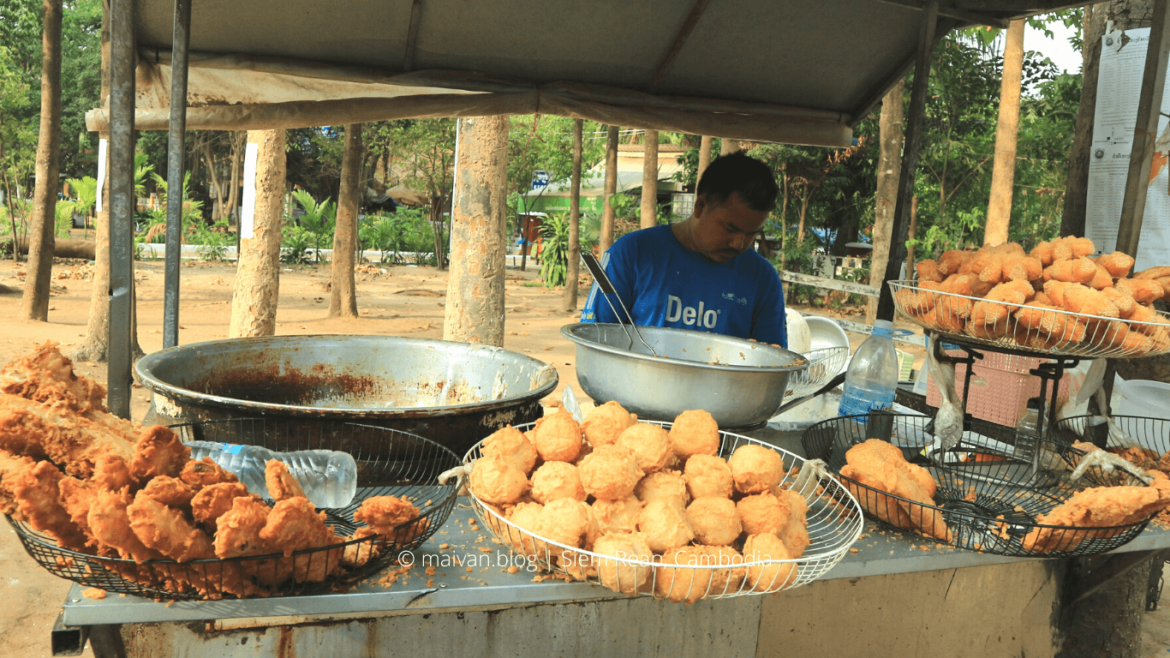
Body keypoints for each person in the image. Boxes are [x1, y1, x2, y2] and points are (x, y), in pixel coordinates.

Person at [581, 151, 787, 347]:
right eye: (730, 228)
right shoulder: (631, 254)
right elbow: (594, 337)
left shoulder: (762, 279)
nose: (739, 244)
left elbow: (771, 360)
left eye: (752, 233)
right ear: (700, 206)